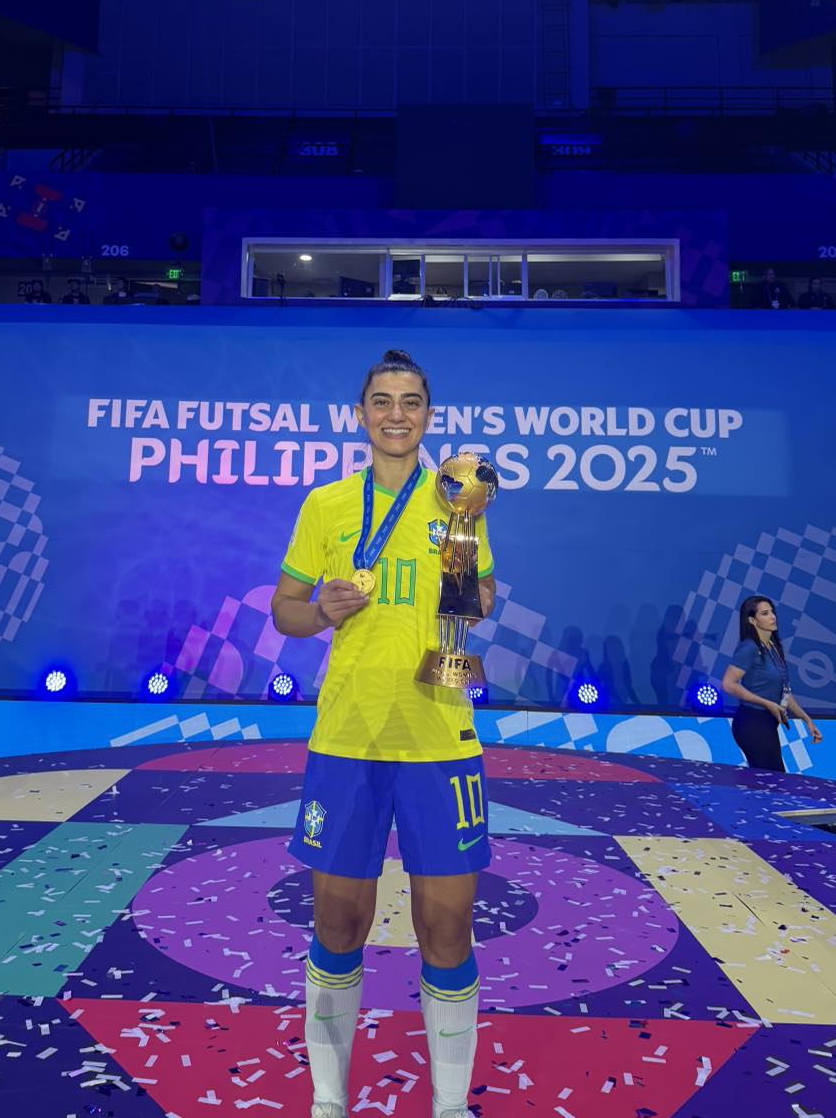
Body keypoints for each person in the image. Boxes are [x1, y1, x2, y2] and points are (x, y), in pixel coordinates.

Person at [272, 350, 495, 1118]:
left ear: (428, 416)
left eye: (410, 401)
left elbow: (484, 595)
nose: (396, 413)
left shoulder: (460, 503)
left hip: (440, 735)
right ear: (361, 414)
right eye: (381, 401)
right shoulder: (328, 504)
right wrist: (322, 613)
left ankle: (450, 1106)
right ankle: (329, 1104)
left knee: (446, 925)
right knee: (338, 921)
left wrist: (471, 586)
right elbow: (285, 611)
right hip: (347, 739)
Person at [720, 595, 822, 771]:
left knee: (770, 782)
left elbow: (784, 693)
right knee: (772, 781)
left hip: (767, 723)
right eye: (765, 613)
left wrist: (807, 720)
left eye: (772, 612)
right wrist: (766, 703)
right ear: (752, 620)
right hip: (752, 723)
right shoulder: (749, 648)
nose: (772, 617)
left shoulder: (773, 647)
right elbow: (728, 684)